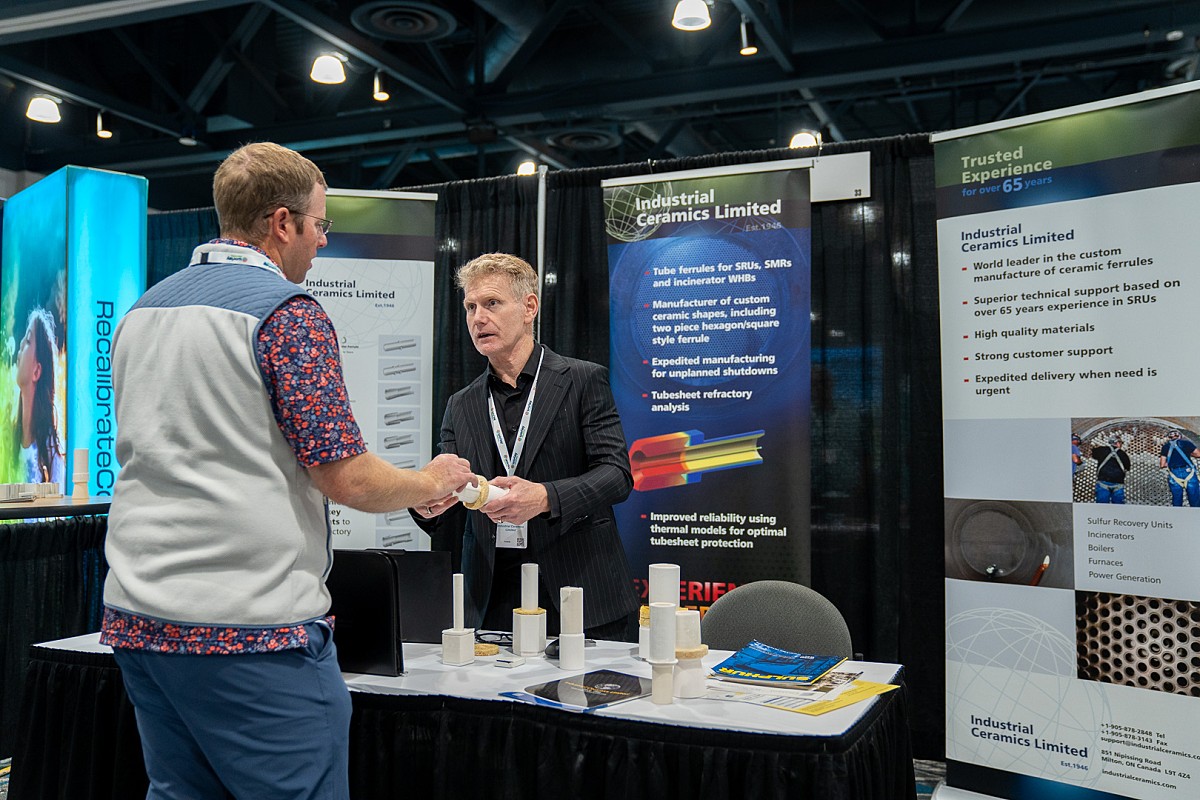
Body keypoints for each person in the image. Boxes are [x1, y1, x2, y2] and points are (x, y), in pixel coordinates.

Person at [100, 142, 473, 800]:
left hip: (140, 618)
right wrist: (431, 482)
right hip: (250, 632)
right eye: (320, 225)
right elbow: (347, 478)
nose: (323, 241)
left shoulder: (141, 311)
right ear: (281, 223)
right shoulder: (286, 313)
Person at [414, 252, 639, 642]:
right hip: (493, 600)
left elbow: (616, 475)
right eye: (470, 307)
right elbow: (448, 504)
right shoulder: (461, 404)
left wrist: (545, 497)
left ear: (529, 307)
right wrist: (426, 501)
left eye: (492, 303)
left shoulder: (582, 380)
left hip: (580, 592)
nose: (478, 318)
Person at [14, 306, 64, 485]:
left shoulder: (51, 451)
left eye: (27, 340)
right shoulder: (8, 437)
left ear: (37, 371)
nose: (20, 345)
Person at [1160, 428, 1200, 507]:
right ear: (1180, 436)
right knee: (1194, 498)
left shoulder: (1165, 447)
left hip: (1174, 474)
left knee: (1177, 500)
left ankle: (1177, 513)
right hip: (1188, 472)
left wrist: (1171, 462)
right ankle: (1196, 513)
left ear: (1169, 438)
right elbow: (1198, 454)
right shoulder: (1186, 443)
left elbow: (1162, 464)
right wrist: (1188, 453)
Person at [1091, 435, 1131, 504]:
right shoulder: (1123, 454)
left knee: (1102, 505)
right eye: (1120, 443)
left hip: (1103, 481)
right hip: (1118, 483)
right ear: (1117, 443)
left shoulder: (1102, 450)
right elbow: (1127, 467)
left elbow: (1093, 453)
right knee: (1118, 506)